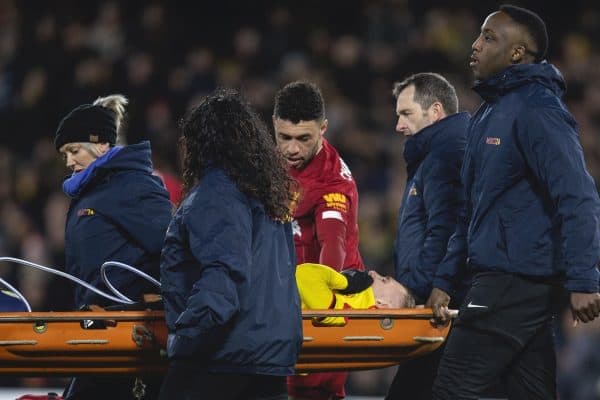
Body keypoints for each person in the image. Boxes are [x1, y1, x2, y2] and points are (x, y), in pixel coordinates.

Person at [426, 5, 600, 399]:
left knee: (451, 387)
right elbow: (471, 209)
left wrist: (584, 278)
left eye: (488, 37)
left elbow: (578, 196)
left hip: (514, 280)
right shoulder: (489, 112)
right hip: (505, 278)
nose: (474, 45)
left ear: (517, 53)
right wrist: (445, 279)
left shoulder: (537, 110)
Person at [159, 88, 302, 400]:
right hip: (270, 358)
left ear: (201, 142)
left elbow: (224, 273)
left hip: (223, 357)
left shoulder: (217, 192)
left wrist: (184, 338)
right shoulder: (267, 196)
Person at [54, 94, 172, 399]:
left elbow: (173, 248)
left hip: (129, 339)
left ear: (101, 144)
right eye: (64, 154)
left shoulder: (132, 185)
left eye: (74, 150)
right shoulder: (93, 192)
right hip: (100, 333)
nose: (69, 162)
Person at [273, 81, 364, 400]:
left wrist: (317, 309)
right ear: (274, 125)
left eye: (303, 139)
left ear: (323, 128)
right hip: (289, 310)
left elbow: (333, 244)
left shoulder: (332, 182)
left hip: (319, 317)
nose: (292, 149)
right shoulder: (271, 164)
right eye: (284, 137)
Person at [386, 73, 469, 400]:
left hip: (439, 306)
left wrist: (422, 287)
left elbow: (447, 228)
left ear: (435, 111)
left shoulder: (445, 152)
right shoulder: (434, 154)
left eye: (406, 114)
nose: (398, 125)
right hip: (437, 300)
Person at [296, 263, 413, 327]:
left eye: (383, 280)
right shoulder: (354, 310)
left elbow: (304, 275)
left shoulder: (346, 313)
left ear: (381, 304)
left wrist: (345, 282)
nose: (373, 273)